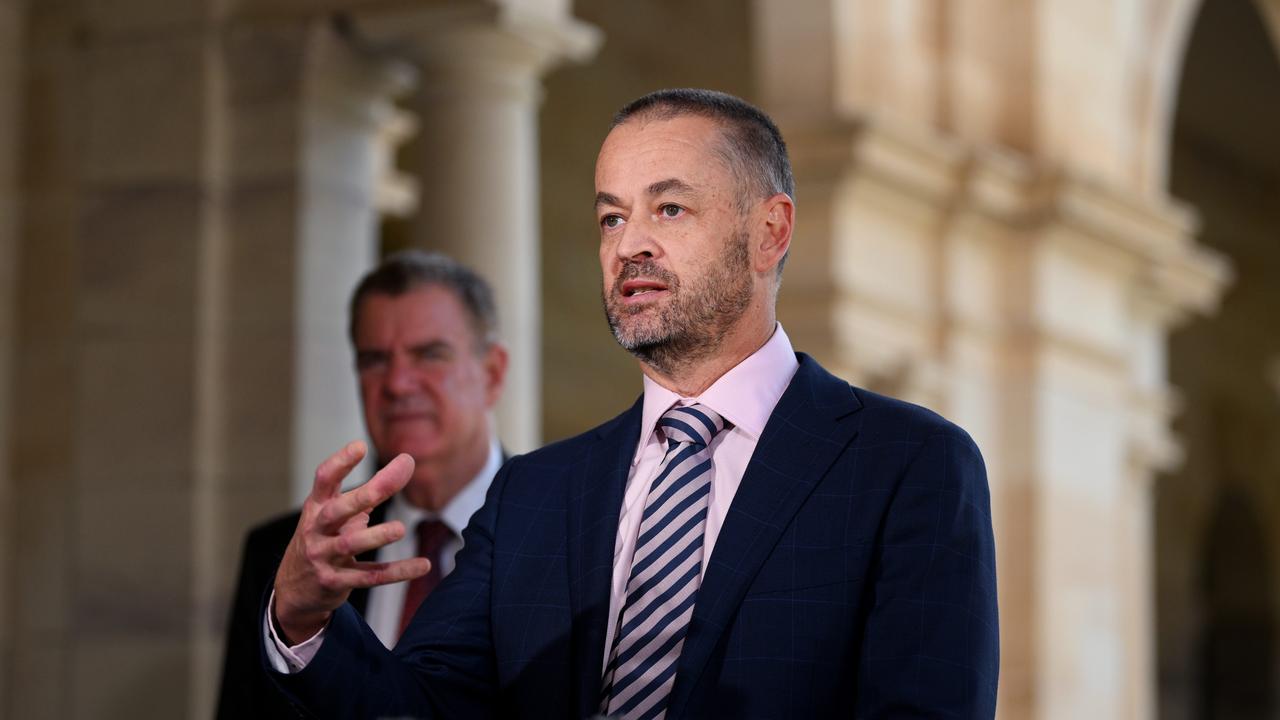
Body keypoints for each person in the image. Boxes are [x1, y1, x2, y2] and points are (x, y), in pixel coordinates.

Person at [263, 89, 999, 718]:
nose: (630, 246)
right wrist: (302, 616)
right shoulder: (532, 494)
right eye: (612, 218)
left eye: (670, 209)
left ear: (769, 231)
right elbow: (417, 706)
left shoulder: (907, 464)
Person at [215, 250, 508, 717]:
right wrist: (296, 617)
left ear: (492, 373)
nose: (396, 383)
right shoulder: (290, 556)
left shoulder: (570, 537)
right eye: (374, 360)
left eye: (429, 354)